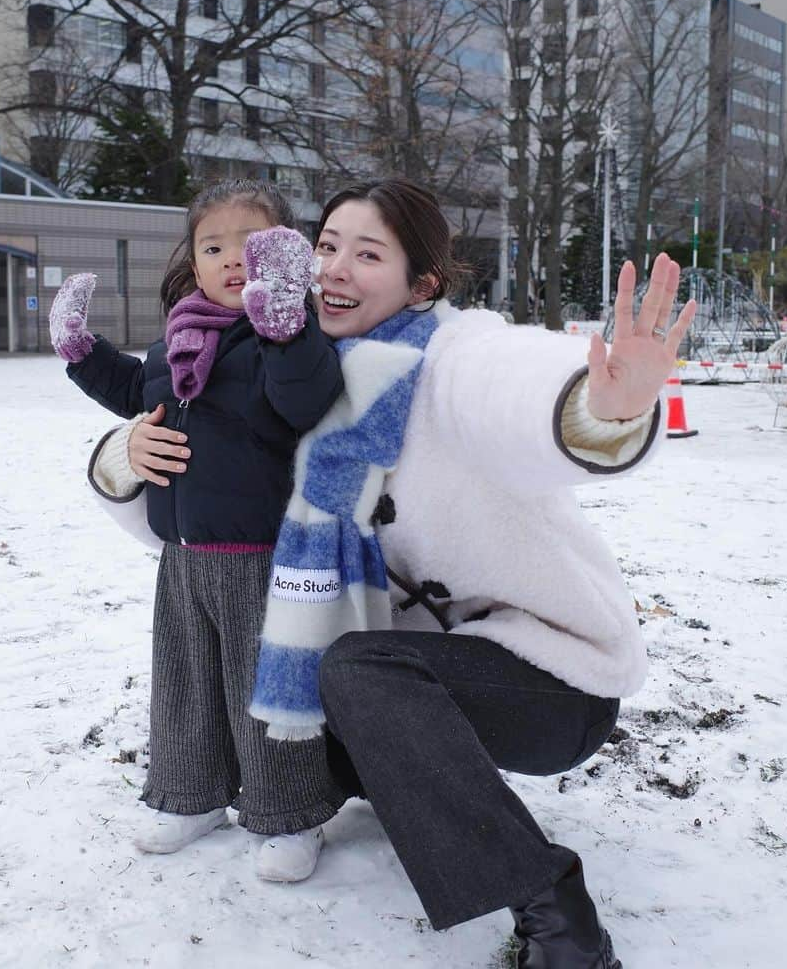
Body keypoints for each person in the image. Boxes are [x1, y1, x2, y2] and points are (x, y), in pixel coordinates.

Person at [90, 178, 696, 968]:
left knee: (351, 669)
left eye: (367, 254)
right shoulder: (289, 371)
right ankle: (355, 778)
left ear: (422, 285)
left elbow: (509, 385)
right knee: (275, 709)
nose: (335, 270)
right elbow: (209, 516)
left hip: (546, 681)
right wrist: (123, 455)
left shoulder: (443, 358)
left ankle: (556, 913)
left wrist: (601, 408)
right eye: (327, 247)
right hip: (413, 678)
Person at [49, 179, 347, 884]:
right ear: (194, 259)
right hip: (182, 555)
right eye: (214, 246)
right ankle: (191, 797)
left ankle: (289, 814)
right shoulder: (179, 339)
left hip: (262, 556)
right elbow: (132, 388)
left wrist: (284, 327)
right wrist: (79, 350)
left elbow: (307, 401)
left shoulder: (283, 340)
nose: (231, 259)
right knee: (185, 686)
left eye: (253, 245)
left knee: (267, 693)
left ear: (287, 258)